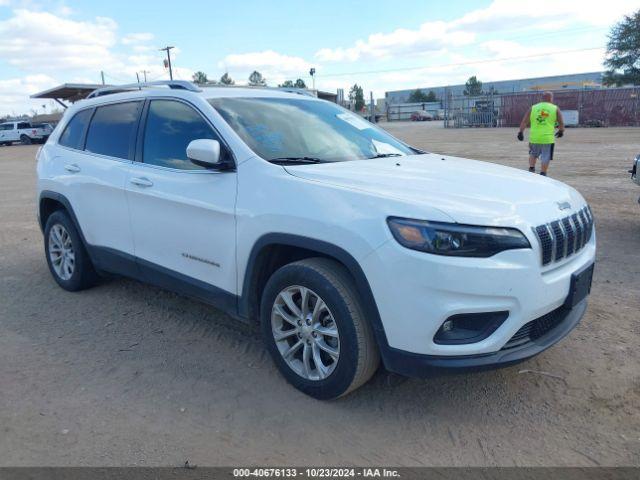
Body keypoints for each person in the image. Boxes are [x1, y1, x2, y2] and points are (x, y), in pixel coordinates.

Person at [517, 91, 564, 176]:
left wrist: (520, 132)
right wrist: (561, 131)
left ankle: (531, 169)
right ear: (551, 98)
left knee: (533, 154)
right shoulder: (555, 108)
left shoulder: (533, 108)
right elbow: (561, 122)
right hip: (547, 139)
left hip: (534, 137)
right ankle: (543, 173)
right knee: (546, 157)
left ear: (542, 98)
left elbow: (524, 121)